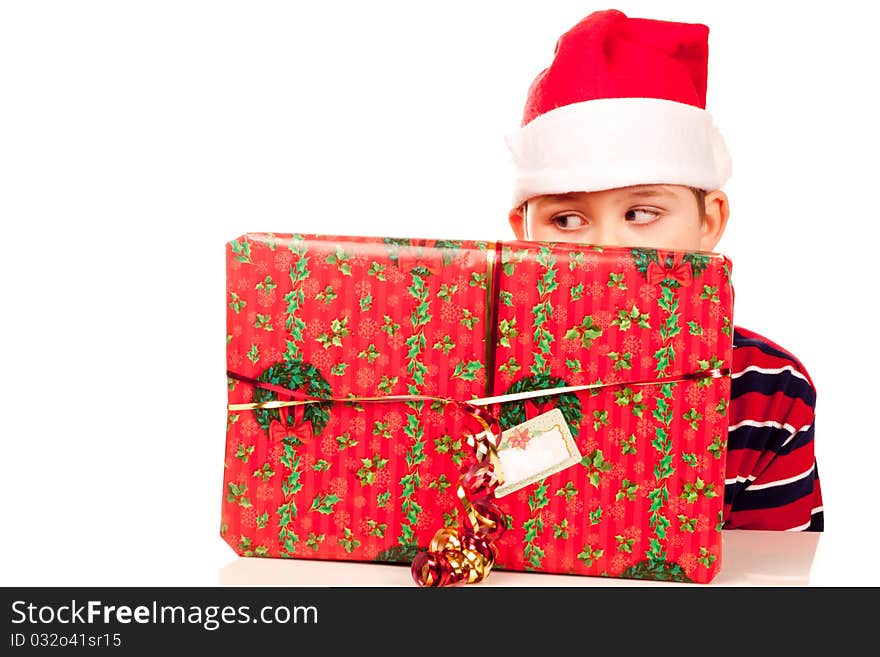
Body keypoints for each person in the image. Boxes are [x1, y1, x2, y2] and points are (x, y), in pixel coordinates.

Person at [505, 8, 822, 531]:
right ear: (524, 231)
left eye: (642, 213)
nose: (609, 248)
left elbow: (779, 584)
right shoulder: (480, 374)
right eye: (567, 218)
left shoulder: (768, 392)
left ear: (709, 220)